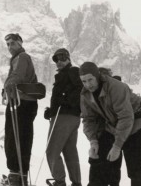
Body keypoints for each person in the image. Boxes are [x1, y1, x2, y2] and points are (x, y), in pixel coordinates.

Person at [79, 62, 141, 186]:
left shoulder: (116, 87)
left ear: (97, 76)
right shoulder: (85, 94)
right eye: (84, 81)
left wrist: (117, 146)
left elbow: (126, 117)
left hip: (136, 123)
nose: (88, 85)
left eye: (90, 79)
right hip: (113, 125)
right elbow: (88, 119)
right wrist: (93, 141)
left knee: (136, 169)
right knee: (99, 159)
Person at [3, 33, 38, 186]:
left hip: (20, 102)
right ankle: (21, 177)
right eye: (8, 44)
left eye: (13, 43)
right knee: (22, 139)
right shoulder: (20, 58)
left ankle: (15, 177)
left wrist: (6, 87)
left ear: (20, 43)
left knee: (13, 138)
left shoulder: (22, 57)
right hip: (24, 102)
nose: (10, 47)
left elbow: (18, 76)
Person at [44, 48, 83, 186]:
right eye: (56, 59)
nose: (58, 61)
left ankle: (60, 182)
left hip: (64, 116)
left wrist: (66, 101)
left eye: (62, 58)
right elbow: (69, 93)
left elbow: (80, 89)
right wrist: (51, 111)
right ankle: (76, 182)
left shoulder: (72, 71)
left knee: (52, 150)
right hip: (71, 117)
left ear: (68, 58)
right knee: (69, 150)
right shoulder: (65, 74)